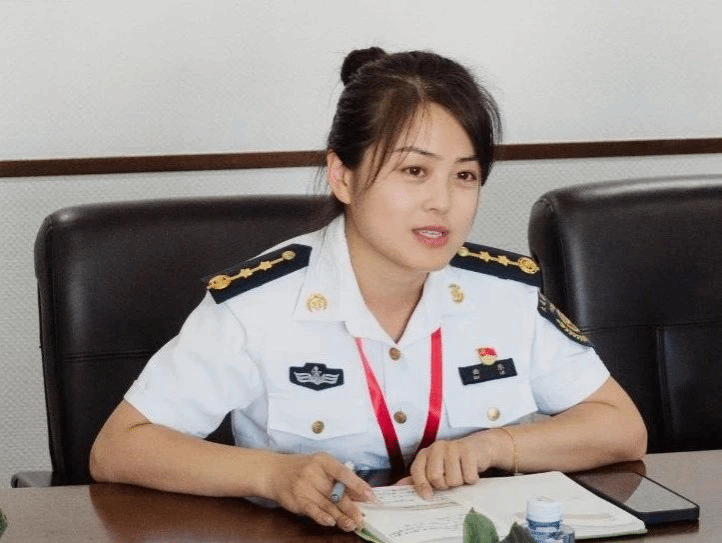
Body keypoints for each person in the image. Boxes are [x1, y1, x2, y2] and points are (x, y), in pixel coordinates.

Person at [90, 47, 647, 532]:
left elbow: (620, 426)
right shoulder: (257, 305)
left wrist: (494, 446)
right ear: (343, 177)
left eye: (464, 175)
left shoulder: (505, 294)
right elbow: (120, 447)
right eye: (414, 171)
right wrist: (271, 474)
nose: (442, 202)